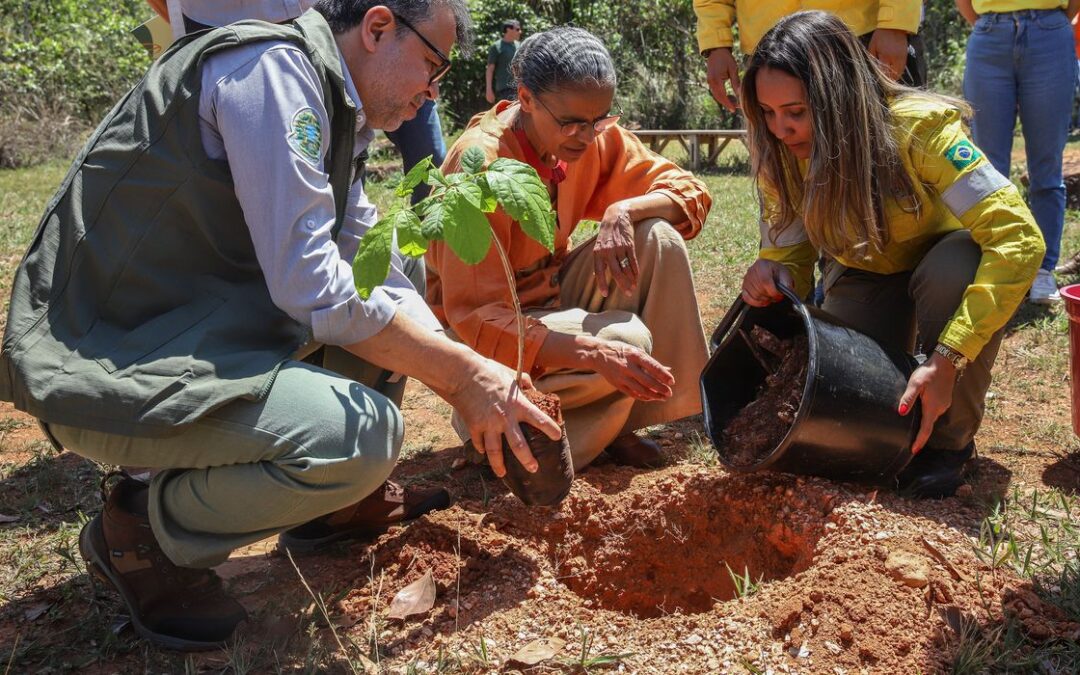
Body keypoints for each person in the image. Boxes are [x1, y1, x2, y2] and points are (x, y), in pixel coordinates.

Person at [0, 0, 561, 651]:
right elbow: (311, 285)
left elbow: (363, 260)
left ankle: (333, 508)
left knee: (394, 275)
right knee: (360, 439)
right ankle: (141, 523)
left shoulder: (329, 99)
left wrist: (470, 371)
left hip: (188, 333)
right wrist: (462, 377)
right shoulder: (272, 76)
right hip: (109, 361)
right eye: (432, 66)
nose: (431, 92)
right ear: (378, 27)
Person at [738, 11, 1045, 498]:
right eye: (768, 113)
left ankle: (948, 444)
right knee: (850, 406)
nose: (781, 129)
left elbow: (1019, 238)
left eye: (796, 111)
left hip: (942, 267)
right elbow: (789, 248)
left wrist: (948, 357)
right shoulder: (782, 155)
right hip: (865, 273)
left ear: (838, 95)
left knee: (957, 267)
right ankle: (908, 411)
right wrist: (777, 271)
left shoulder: (919, 129)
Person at [427, 27, 712, 472]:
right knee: (626, 342)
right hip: (484, 336)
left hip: (552, 297)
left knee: (658, 237)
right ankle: (504, 432)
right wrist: (593, 352)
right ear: (526, 98)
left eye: (600, 121)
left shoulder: (586, 132)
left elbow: (689, 191)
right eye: (573, 124)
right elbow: (475, 317)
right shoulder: (480, 165)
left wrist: (624, 208)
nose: (587, 137)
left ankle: (626, 421)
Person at [957, 0, 1080, 304]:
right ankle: (999, 266)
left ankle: (1043, 270)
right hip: (989, 36)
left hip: (1050, 34)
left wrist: (1051, 20)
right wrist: (990, 24)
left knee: (1046, 166)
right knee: (987, 170)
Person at [693, 0, 926, 111]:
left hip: (865, 38)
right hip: (769, 50)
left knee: (894, 163)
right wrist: (716, 44)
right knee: (785, 174)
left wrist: (895, 23)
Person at [485, 18, 521, 103]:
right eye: (517, 29)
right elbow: (490, 69)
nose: (520, 32)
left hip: (520, 87)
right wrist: (489, 90)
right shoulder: (496, 47)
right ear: (508, 29)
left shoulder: (519, 45)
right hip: (505, 89)